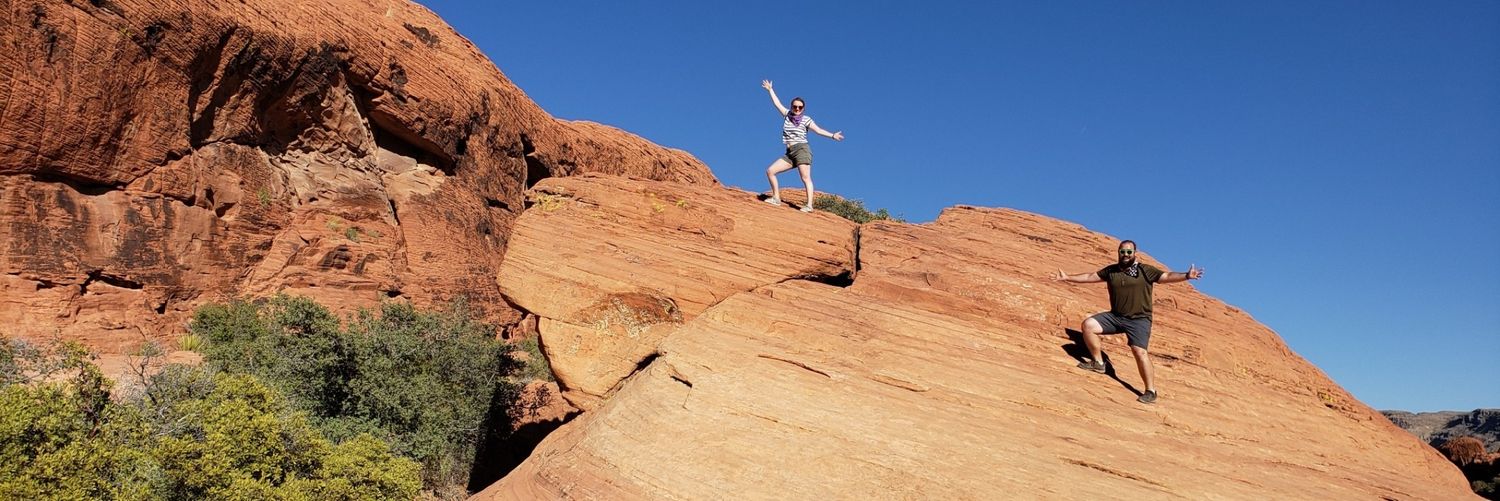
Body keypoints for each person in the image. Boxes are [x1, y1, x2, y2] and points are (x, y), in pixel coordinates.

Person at [1054, 240, 1204, 404]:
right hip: (1116, 316)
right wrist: (1068, 277)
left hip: (1139, 320)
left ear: (1134, 253)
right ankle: (1098, 363)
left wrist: (1186, 276)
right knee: (1088, 325)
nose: (1125, 255)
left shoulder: (1145, 270)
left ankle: (1151, 390)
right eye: (1122, 252)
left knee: (1139, 352)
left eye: (1129, 252)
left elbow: (1166, 276)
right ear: (1118, 252)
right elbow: (1091, 276)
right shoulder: (1112, 271)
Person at [760, 80, 844, 213]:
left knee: (805, 177)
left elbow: (818, 130)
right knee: (770, 171)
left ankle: (809, 205)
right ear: (791, 107)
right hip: (789, 153)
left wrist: (833, 135)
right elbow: (777, 103)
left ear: (803, 109)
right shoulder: (787, 115)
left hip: (802, 149)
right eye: (795, 106)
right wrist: (770, 89)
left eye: (800, 107)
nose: (797, 109)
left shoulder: (806, 119)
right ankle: (776, 198)